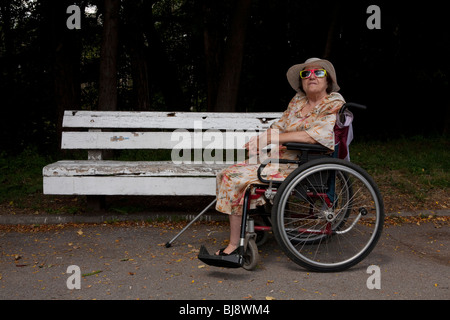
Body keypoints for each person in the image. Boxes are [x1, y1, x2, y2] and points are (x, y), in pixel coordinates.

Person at [215, 58, 345, 256]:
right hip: (281, 156)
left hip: (302, 163)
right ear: (301, 81)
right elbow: (281, 124)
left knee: (233, 178)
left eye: (318, 73)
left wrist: (271, 138)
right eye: (306, 73)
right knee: (229, 171)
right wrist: (262, 139)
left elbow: (314, 136)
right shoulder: (298, 101)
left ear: (328, 80)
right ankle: (249, 220)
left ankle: (235, 245)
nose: (311, 77)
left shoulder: (334, 102)